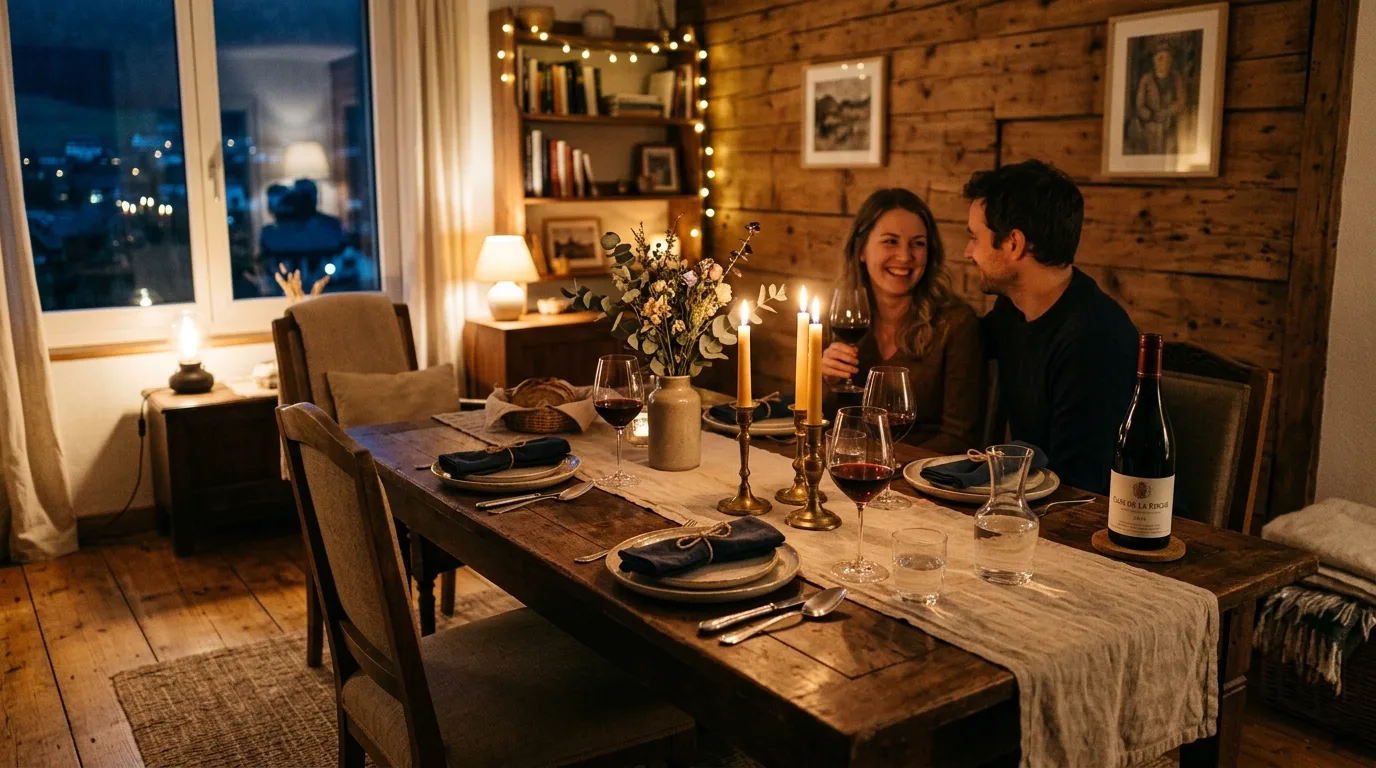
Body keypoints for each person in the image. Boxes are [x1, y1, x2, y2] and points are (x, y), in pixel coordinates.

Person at [963, 160, 1138, 494]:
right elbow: (961, 345)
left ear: (1013, 244)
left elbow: (1080, 486)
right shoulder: (1012, 308)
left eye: (975, 237)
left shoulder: (1094, 338)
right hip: (1037, 499)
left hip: (1101, 516)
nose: (968, 252)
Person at [820, 188, 983, 454]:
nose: (905, 256)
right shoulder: (837, 319)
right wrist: (825, 382)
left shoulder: (955, 324)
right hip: (848, 467)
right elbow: (819, 424)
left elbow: (960, 437)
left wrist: (884, 462)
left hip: (922, 472)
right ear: (861, 250)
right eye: (890, 241)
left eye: (918, 243)